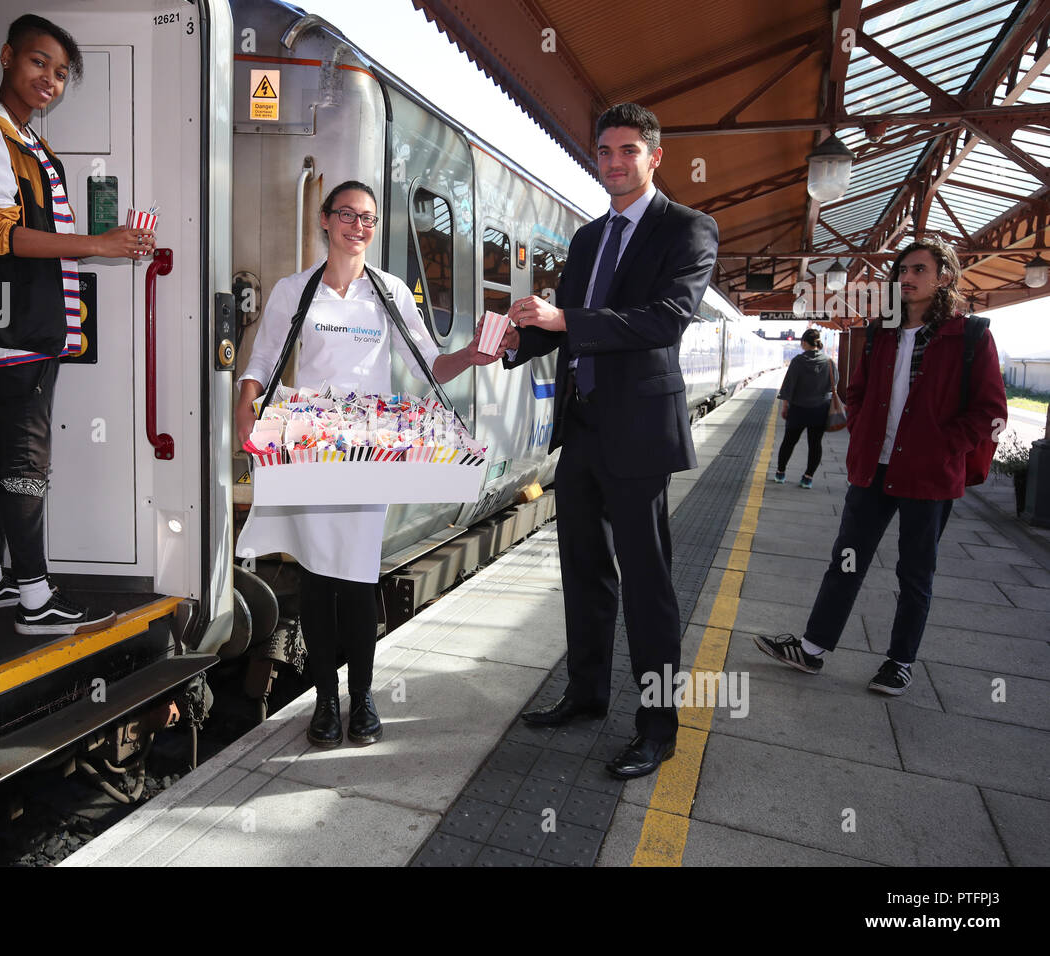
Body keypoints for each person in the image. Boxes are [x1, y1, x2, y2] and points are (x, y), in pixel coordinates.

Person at [234, 181, 510, 747]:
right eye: (347, 215)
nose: (358, 226)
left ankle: (361, 700)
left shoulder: (387, 292)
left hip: (368, 448)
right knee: (315, 578)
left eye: (368, 218)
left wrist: (475, 356)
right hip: (312, 445)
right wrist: (246, 403)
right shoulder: (295, 290)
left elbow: (428, 362)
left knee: (357, 580)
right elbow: (263, 357)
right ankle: (324, 706)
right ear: (325, 220)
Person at [504, 103, 719, 779]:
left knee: (648, 583)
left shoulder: (687, 229)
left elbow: (663, 319)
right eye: (604, 151)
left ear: (655, 157)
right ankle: (586, 694)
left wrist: (564, 316)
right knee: (584, 572)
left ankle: (658, 728)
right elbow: (564, 329)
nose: (615, 161)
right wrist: (513, 341)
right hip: (584, 428)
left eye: (629, 150)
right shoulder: (589, 238)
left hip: (639, 434)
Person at [755, 238, 1006, 694]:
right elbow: (857, 391)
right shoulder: (879, 332)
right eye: (901, 270)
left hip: (929, 476)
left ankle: (899, 662)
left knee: (915, 572)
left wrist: (941, 448)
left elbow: (990, 412)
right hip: (874, 470)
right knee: (846, 561)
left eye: (917, 270)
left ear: (943, 278)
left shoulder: (968, 336)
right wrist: (862, 430)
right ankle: (812, 650)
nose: (905, 278)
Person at [0, 15, 154, 635]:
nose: (50, 78)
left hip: (29, 327)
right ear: (6, 57)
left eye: (61, 72)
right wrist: (97, 244)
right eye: (38, 63)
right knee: (25, 458)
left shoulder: (22, 139)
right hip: (16, 327)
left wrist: (104, 246)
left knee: (5, 453)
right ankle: (34, 598)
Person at [775, 328, 837, 488]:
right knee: (815, 444)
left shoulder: (797, 361)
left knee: (789, 442)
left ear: (804, 343)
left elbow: (788, 386)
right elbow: (834, 384)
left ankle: (780, 474)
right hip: (820, 410)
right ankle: (808, 478)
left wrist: (785, 406)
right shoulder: (829, 362)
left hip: (798, 410)